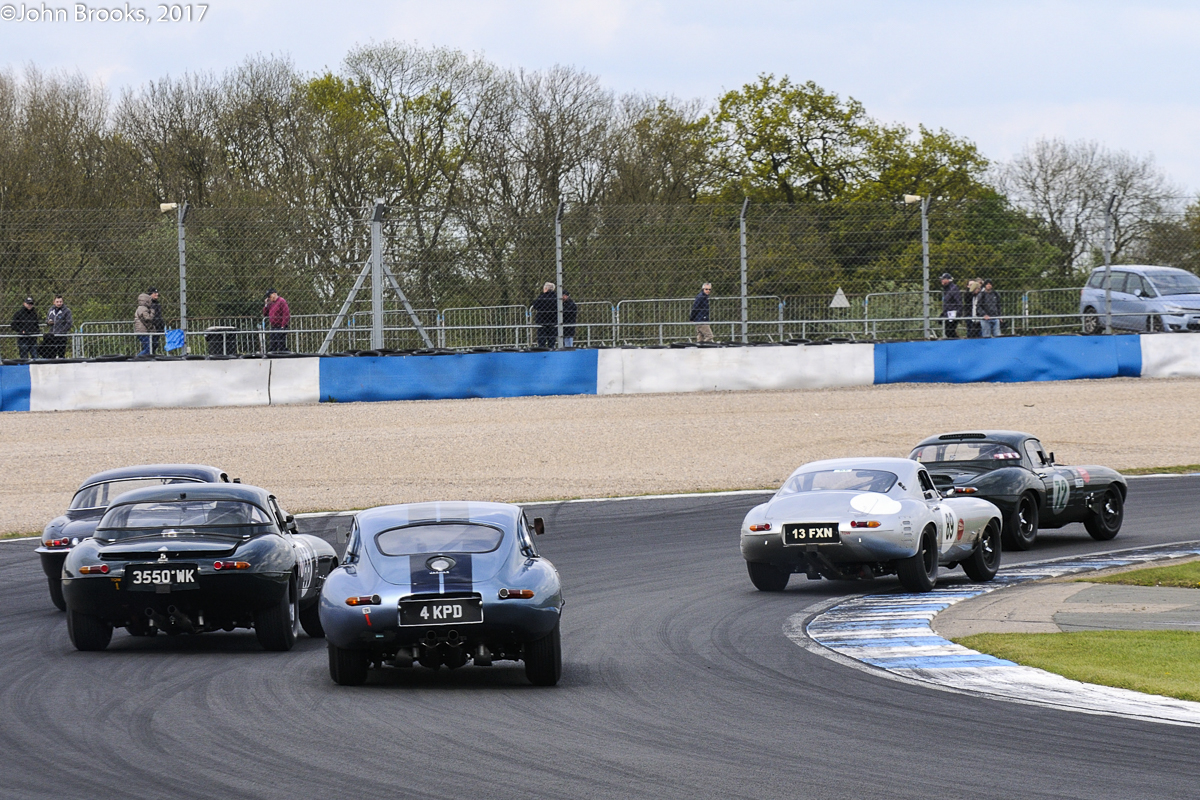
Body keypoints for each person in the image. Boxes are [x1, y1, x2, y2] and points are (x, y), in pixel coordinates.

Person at [43, 295, 72, 359]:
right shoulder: (51, 310)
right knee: (51, 355)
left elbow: (69, 323)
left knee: (61, 354)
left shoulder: (67, 311)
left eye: (60, 302)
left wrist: (61, 331)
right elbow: (47, 320)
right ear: (54, 302)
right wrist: (48, 322)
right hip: (52, 336)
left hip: (61, 336)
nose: (59, 303)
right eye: (57, 302)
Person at [134, 288, 161, 356]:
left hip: (144, 331)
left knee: (152, 346)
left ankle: (144, 358)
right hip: (142, 331)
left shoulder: (143, 308)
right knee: (148, 349)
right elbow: (147, 319)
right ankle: (137, 358)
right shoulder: (143, 309)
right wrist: (152, 312)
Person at [532, 282, 557, 348]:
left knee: (541, 341)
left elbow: (535, 305)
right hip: (553, 321)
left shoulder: (542, 297)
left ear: (546, 289)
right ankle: (551, 350)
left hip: (542, 321)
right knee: (551, 341)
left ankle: (542, 351)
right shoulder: (556, 297)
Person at [940, 273, 962, 339]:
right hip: (948, 313)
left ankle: (957, 341)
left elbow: (958, 301)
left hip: (953, 313)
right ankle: (955, 340)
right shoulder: (946, 289)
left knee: (950, 331)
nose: (941, 280)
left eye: (943, 279)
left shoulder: (953, 289)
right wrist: (943, 313)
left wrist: (958, 313)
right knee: (948, 331)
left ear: (948, 280)